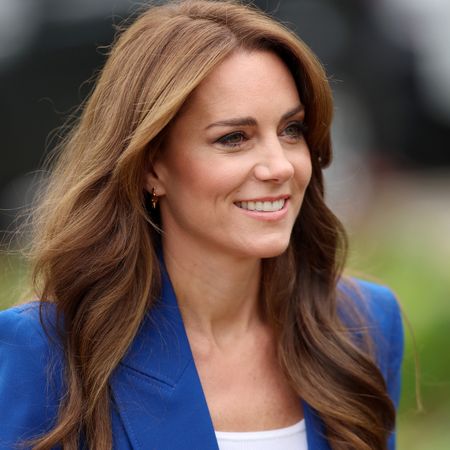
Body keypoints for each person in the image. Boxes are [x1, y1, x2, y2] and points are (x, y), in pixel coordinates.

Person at [0, 1, 403, 449]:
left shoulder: (362, 325)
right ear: (152, 166)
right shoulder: (47, 350)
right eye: (234, 138)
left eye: (292, 130)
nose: (280, 166)